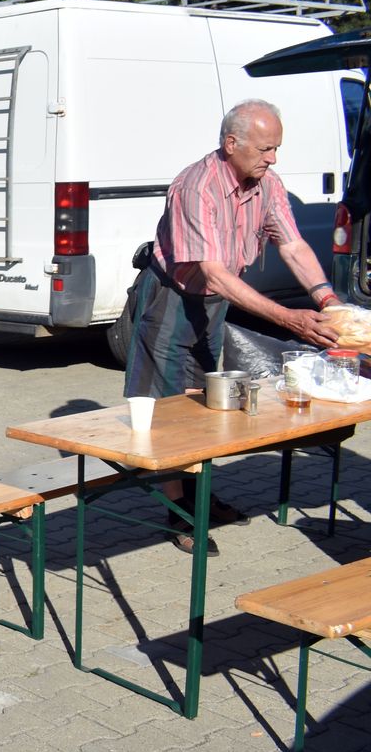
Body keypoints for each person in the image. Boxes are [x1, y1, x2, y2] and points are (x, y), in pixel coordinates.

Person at [124, 98, 339, 554]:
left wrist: (329, 301)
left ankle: (199, 495)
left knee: (207, 401)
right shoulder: (196, 186)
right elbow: (214, 272)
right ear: (231, 143)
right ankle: (179, 512)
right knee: (167, 407)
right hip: (172, 296)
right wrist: (289, 318)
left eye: (276, 148)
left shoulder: (267, 184)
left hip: (214, 300)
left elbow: (293, 245)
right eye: (265, 149)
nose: (272, 158)